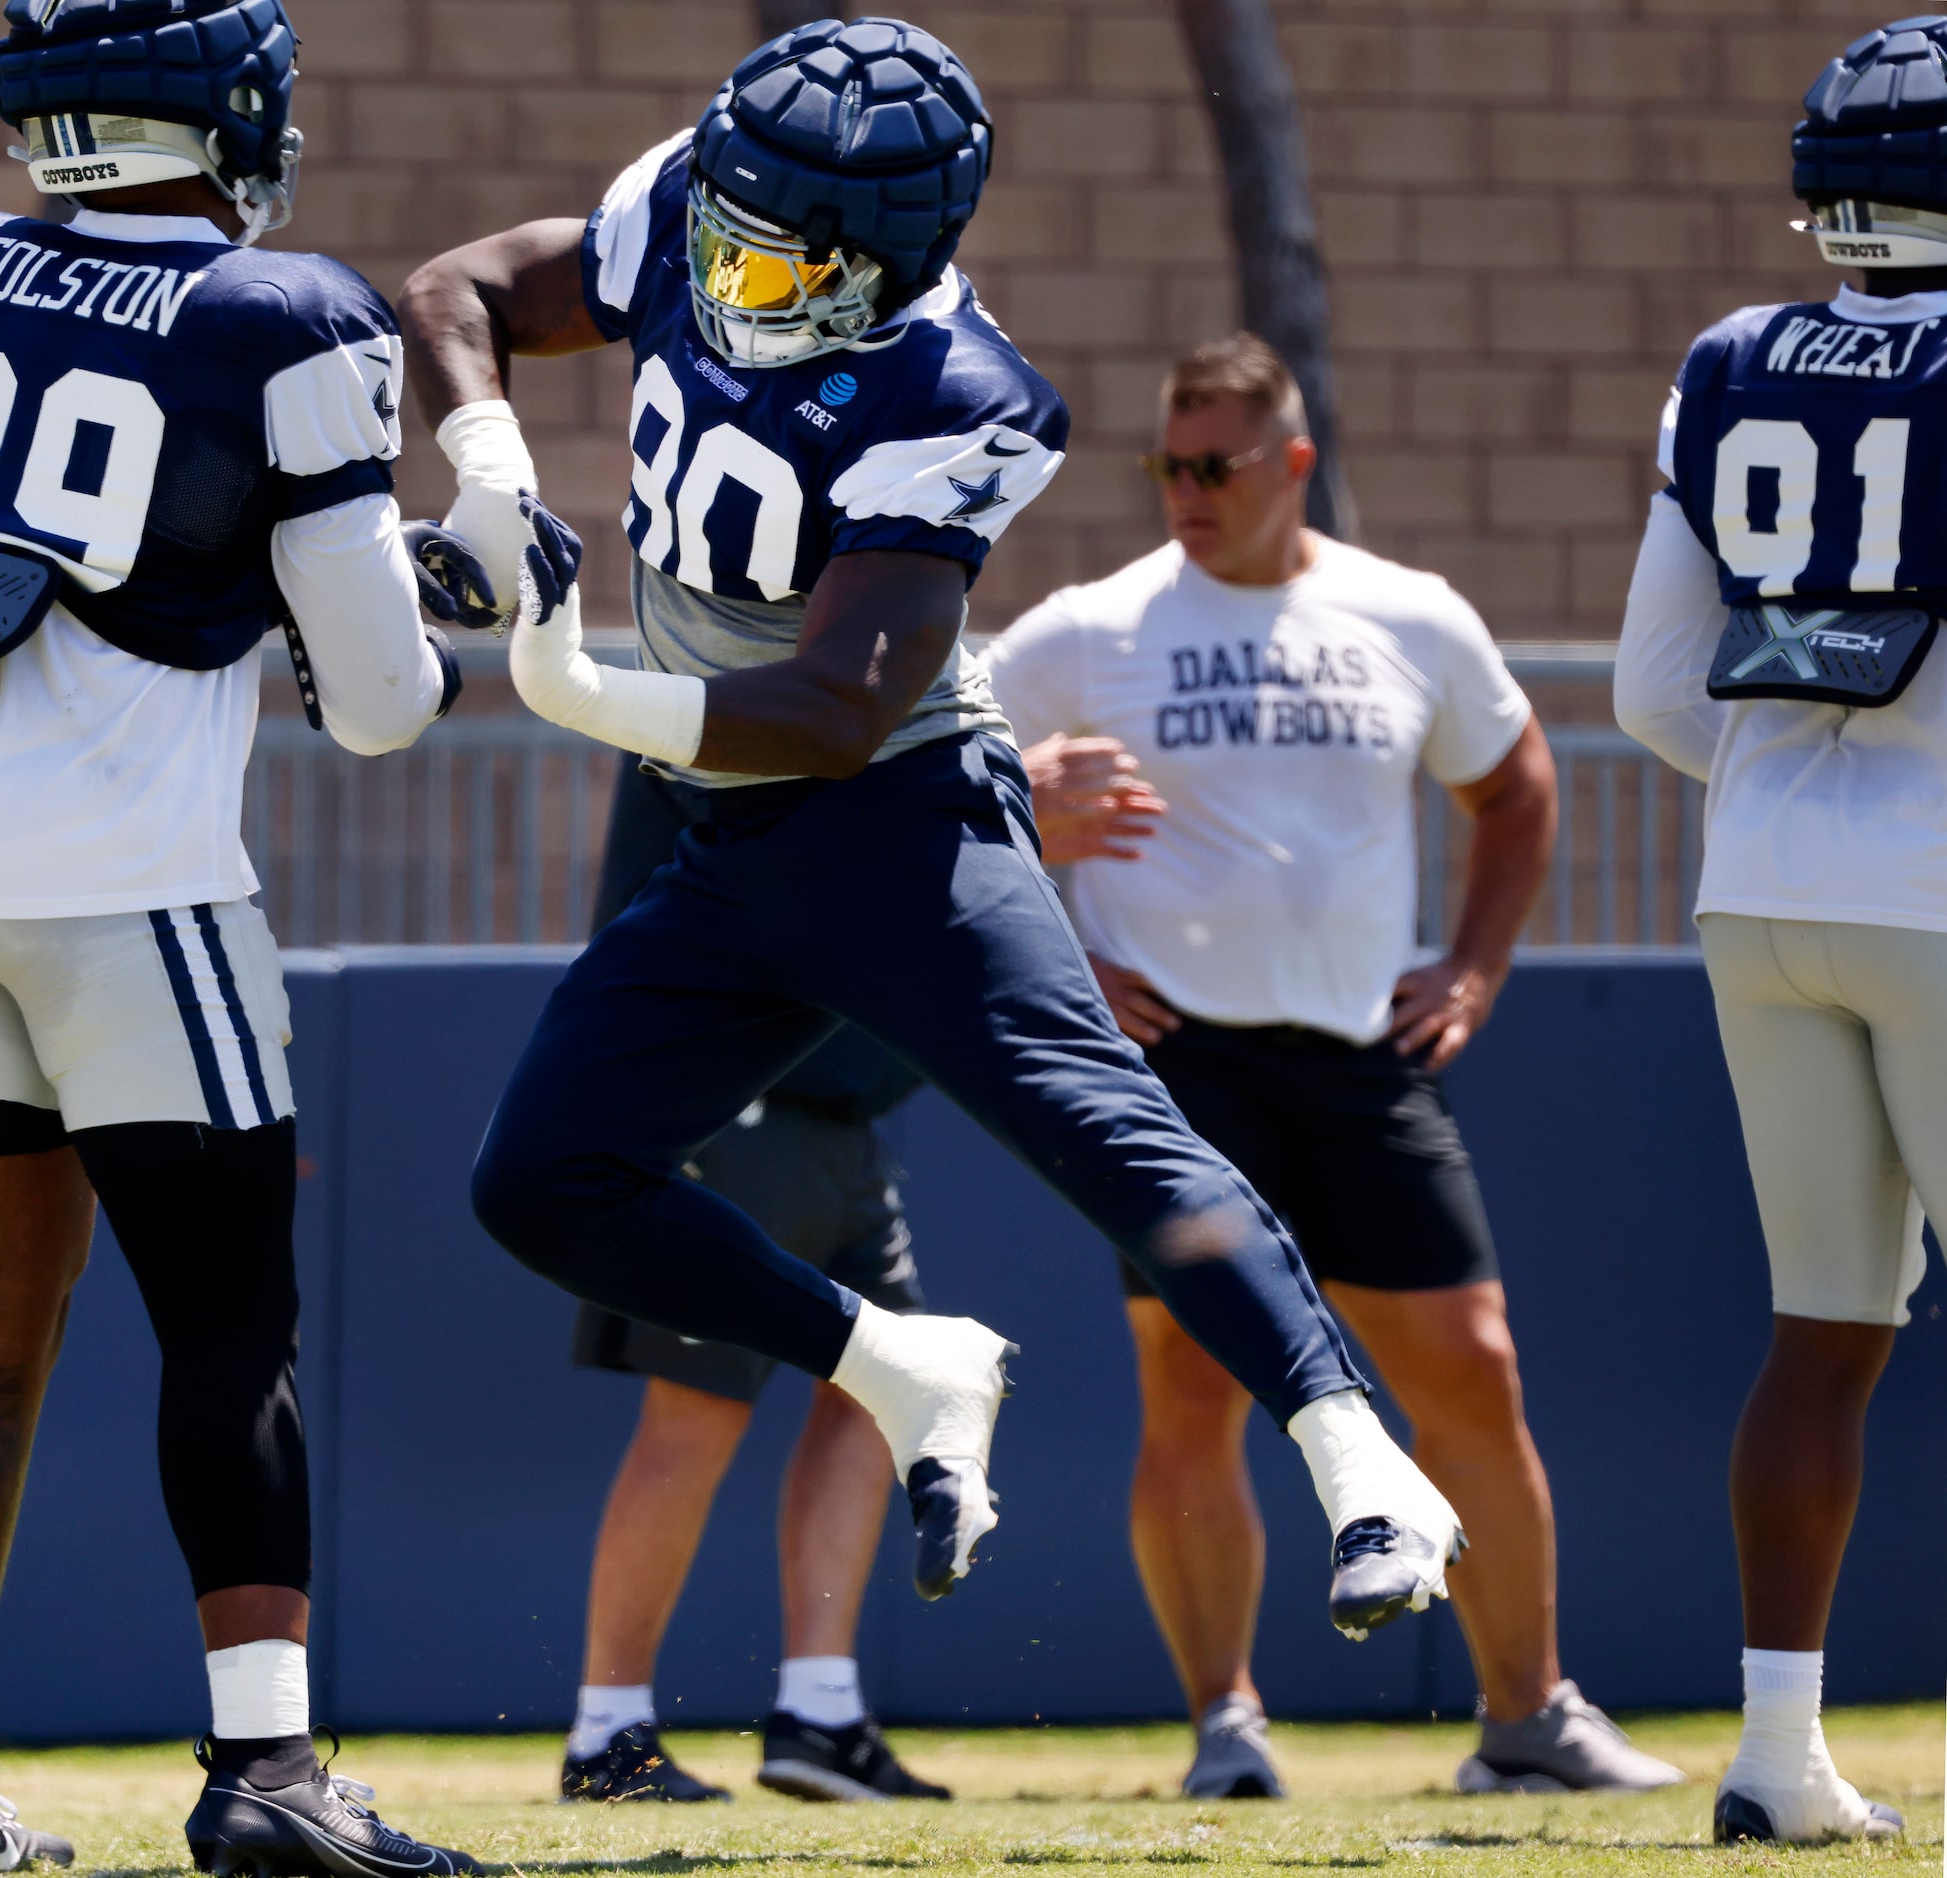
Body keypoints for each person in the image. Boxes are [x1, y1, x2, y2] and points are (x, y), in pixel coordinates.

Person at [399, 17, 1462, 1650]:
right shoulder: (696, 197)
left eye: (780, 271)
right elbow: (459, 290)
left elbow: (833, 705)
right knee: (542, 1179)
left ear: (883, 266)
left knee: (1111, 1138)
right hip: (729, 840)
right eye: (721, 245)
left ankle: (1360, 1450)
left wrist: (572, 681)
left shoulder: (962, 393)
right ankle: (899, 1359)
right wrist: (484, 467)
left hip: (901, 823)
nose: (731, 285)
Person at [0, 3, 483, 1871]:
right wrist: (451, 589)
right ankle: (266, 1768)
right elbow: (375, 704)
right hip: (130, 867)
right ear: (224, 108)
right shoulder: (288, 313)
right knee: (229, 1322)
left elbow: (71, 513)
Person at [985, 334, 1682, 1803]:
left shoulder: (1405, 613)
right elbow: (939, 791)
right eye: (1166, 465)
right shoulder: (1079, 632)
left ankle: (1526, 1718)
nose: (1185, 491)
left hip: (1362, 1055)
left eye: (1214, 466)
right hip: (1175, 1061)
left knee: (1474, 1374)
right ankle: (1225, 1725)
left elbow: (1514, 783)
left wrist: (1475, 964)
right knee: (1189, 1388)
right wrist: (1060, 948)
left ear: (1289, 462)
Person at [1610, 18, 1947, 1846]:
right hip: (1945, 890)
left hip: (1760, 886)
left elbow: (1664, 685)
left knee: (1821, 1335)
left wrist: (1799, 771)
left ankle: (1773, 1756)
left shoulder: (1733, 357)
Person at [560, 761, 947, 1805]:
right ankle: (608, 1733)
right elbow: (798, 833)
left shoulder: (876, 664)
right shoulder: (721, 663)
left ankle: (818, 1713)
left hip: (843, 1112)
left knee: (881, 1390)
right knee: (695, 1412)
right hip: (730, 1102)